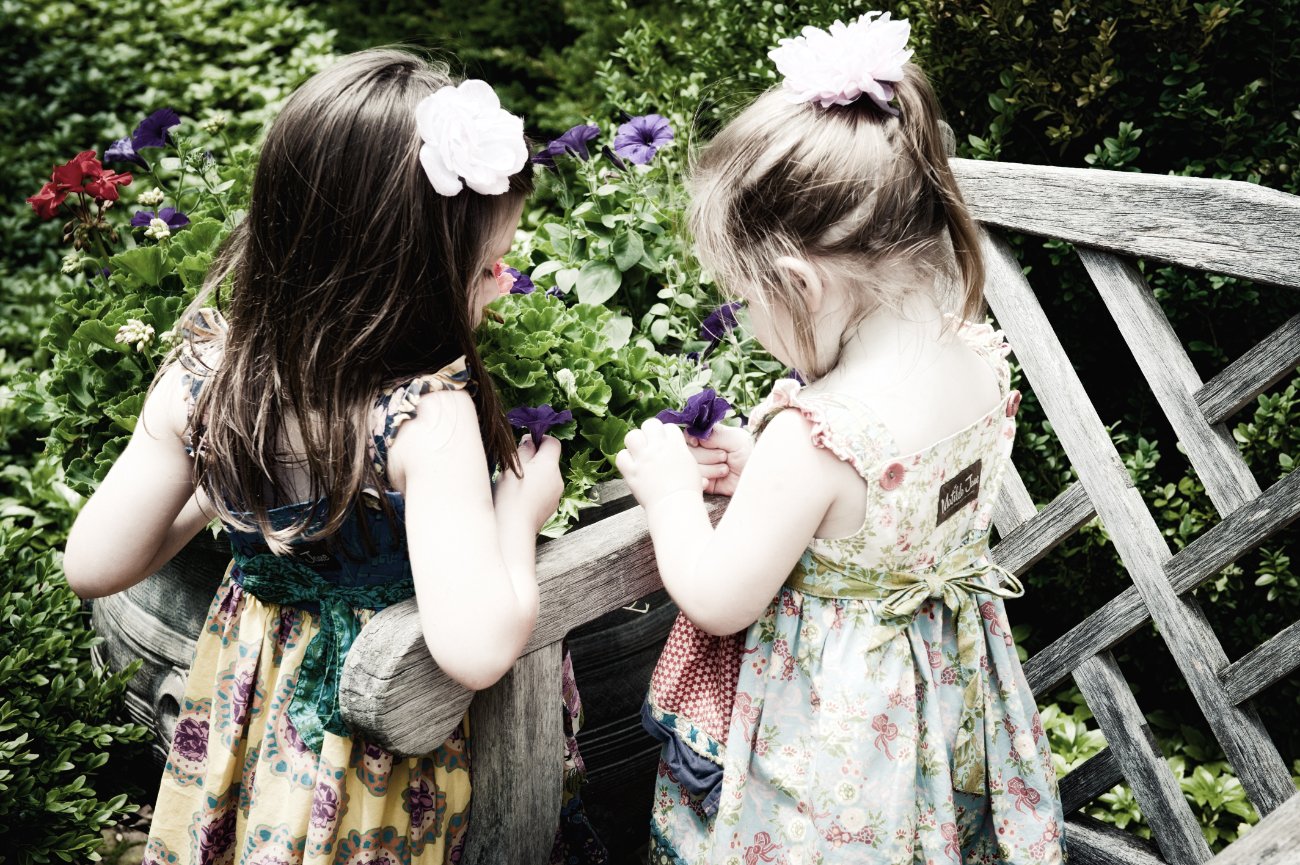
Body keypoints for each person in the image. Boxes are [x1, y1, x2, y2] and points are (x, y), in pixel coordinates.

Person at [63, 49, 605, 865]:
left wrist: (228, 489)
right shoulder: (428, 418)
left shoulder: (200, 379)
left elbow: (96, 563)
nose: (504, 280)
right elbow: (481, 647)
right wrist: (517, 514)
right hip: (371, 754)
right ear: (412, 274)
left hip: (244, 726)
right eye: (487, 264)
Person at [618, 12, 1065, 864]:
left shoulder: (816, 436)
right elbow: (886, 513)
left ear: (796, 281)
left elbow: (717, 595)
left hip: (837, 741)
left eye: (744, 300)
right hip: (937, 702)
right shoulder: (976, 359)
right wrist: (770, 480)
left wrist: (671, 494)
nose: (748, 325)